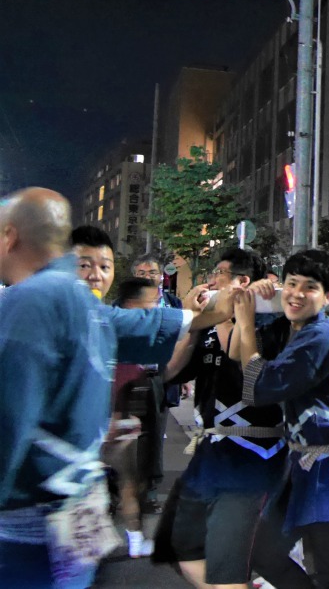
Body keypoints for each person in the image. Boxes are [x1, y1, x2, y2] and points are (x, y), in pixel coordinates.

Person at [0, 188, 226, 589]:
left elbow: (6, 419)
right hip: (74, 513)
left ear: (9, 236)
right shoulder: (84, 305)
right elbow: (145, 326)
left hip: (29, 522)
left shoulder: (28, 300)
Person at [235, 249, 329, 589]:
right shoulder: (299, 329)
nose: (296, 294)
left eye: (310, 287)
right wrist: (262, 298)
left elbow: (258, 387)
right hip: (304, 466)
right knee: (263, 554)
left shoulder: (321, 337)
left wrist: (246, 321)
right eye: (291, 284)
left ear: (328, 296)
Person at [163, 247, 292, 589]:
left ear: (242, 281)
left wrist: (234, 315)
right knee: (184, 548)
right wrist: (193, 323)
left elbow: (246, 366)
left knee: (229, 562)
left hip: (254, 453)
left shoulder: (271, 321)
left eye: (219, 273)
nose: (211, 279)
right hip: (210, 452)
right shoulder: (206, 325)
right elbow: (170, 373)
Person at [103, 277, 160, 559]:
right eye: (152, 301)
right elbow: (117, 377)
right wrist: (114, 417)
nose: (156, 307)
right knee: (127, 481)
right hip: (113, 419)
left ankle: (133, 539)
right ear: (132, 304)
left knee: (129, 481)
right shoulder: (119, 331)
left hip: (122, 417)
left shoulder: (128, 330)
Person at [131, 253, 183, 510]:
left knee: (154, 435)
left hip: (160, 377)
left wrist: (183, 376)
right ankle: (118, 491)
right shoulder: (125, 304)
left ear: (162, 276)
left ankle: (150, 490)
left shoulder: (173, 304)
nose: (147, 276)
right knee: (125, 436)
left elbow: (183, 339)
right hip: (129, 376)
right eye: (141, 273)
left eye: (152, 272)